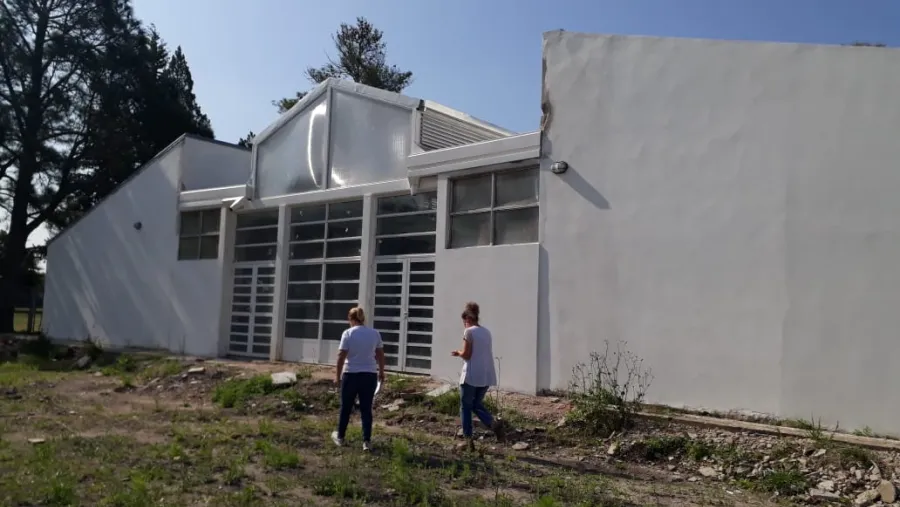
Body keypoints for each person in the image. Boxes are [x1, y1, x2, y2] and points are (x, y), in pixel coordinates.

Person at [450, 301, 503, 450]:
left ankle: (468, 441)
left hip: (471, 375)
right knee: (475, 404)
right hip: (486, 374)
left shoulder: (469, 332)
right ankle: (493, 424)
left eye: (464, 321)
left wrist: (458, 353)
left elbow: (467, 355)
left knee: (465, 407)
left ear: (467, 318)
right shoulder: (486, 332)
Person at [332, 307, 385, 451]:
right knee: (366, 409)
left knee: (346, 407)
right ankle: (366, 441)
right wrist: (381, 371)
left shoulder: (348, 334)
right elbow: (380, 354)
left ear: (351, 319)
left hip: (351, 374)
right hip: (369, 375)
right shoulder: (374, 333)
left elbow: (341, 356)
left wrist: (337, 377)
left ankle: (340, 437)